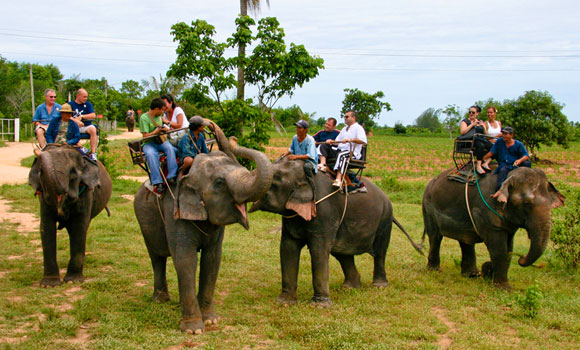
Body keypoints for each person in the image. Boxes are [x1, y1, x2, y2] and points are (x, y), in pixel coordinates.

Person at [319, 110, 367, 188]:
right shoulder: (344, 129)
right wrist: (331, 141)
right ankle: (323, 164)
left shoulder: (358, 128)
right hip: (340, 150)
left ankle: (338, 179)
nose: (345, 118)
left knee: (341, 154)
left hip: (352, 153)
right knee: (323, 146)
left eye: (347, 116)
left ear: (353, 117)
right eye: (344, 116)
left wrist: (350, 140)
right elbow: (337, 142)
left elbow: (363, 141)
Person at [140, 97, 178, 194]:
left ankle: (171, 175)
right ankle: (157, 182)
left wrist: (165, 130)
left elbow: (166, 129)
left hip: (161, 141)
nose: (163, 112)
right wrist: (155, 132)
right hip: (149, 143)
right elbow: (145, 136)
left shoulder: (160, 117)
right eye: (162, 110)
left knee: (170, 149)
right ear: (157, 109)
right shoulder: (144, 118)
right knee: (151, 155)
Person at [482, 126, 531, 198]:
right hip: (504, 164)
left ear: (511, 135)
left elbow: (526, 155)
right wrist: (482, 158)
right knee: (503, 170)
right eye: (503, 133)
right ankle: (499, 190)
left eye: (506, 134)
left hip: (515, 164)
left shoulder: (518, 144)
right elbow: (492, 152)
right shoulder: (499, 142)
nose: (503, 135)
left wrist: (520, 160)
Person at [459, 105, 490, 176]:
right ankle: (478, 166)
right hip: (469, 141)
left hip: (480, 139)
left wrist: (483, 126)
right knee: (481, 146)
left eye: (473, 112)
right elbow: (462, 132)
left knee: (493, 147)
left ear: (477, 113)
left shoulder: (479, 121)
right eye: (470, 112)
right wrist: (472, 125)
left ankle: (486, 163)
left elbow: (485, 133)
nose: (471, 114)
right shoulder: (465, 121)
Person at [68, 89, 98, 161]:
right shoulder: (70, 105)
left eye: (86, 97)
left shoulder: (88, 104)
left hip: (86, 125)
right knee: (70, 129)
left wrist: (82, 117)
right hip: (74, 126)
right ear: (78, 96)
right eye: (84, 97)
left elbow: (93, 115)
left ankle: (93, 153)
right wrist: (76, 121)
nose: (86, 98)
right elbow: (67, 116)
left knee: (93, 129)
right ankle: (81, 147)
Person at [481, 106, 502, 171]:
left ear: (495, 113)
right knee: (497, 147)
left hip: (498, 142)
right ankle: (486, 162)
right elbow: (485, 136)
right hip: (489, 143)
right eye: (488, 113)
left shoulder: (499, 123)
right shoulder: (485, 124)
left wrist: (497, 138)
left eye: (491, 112)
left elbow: (501, 134)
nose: (489, 114)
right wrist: (495, 138)